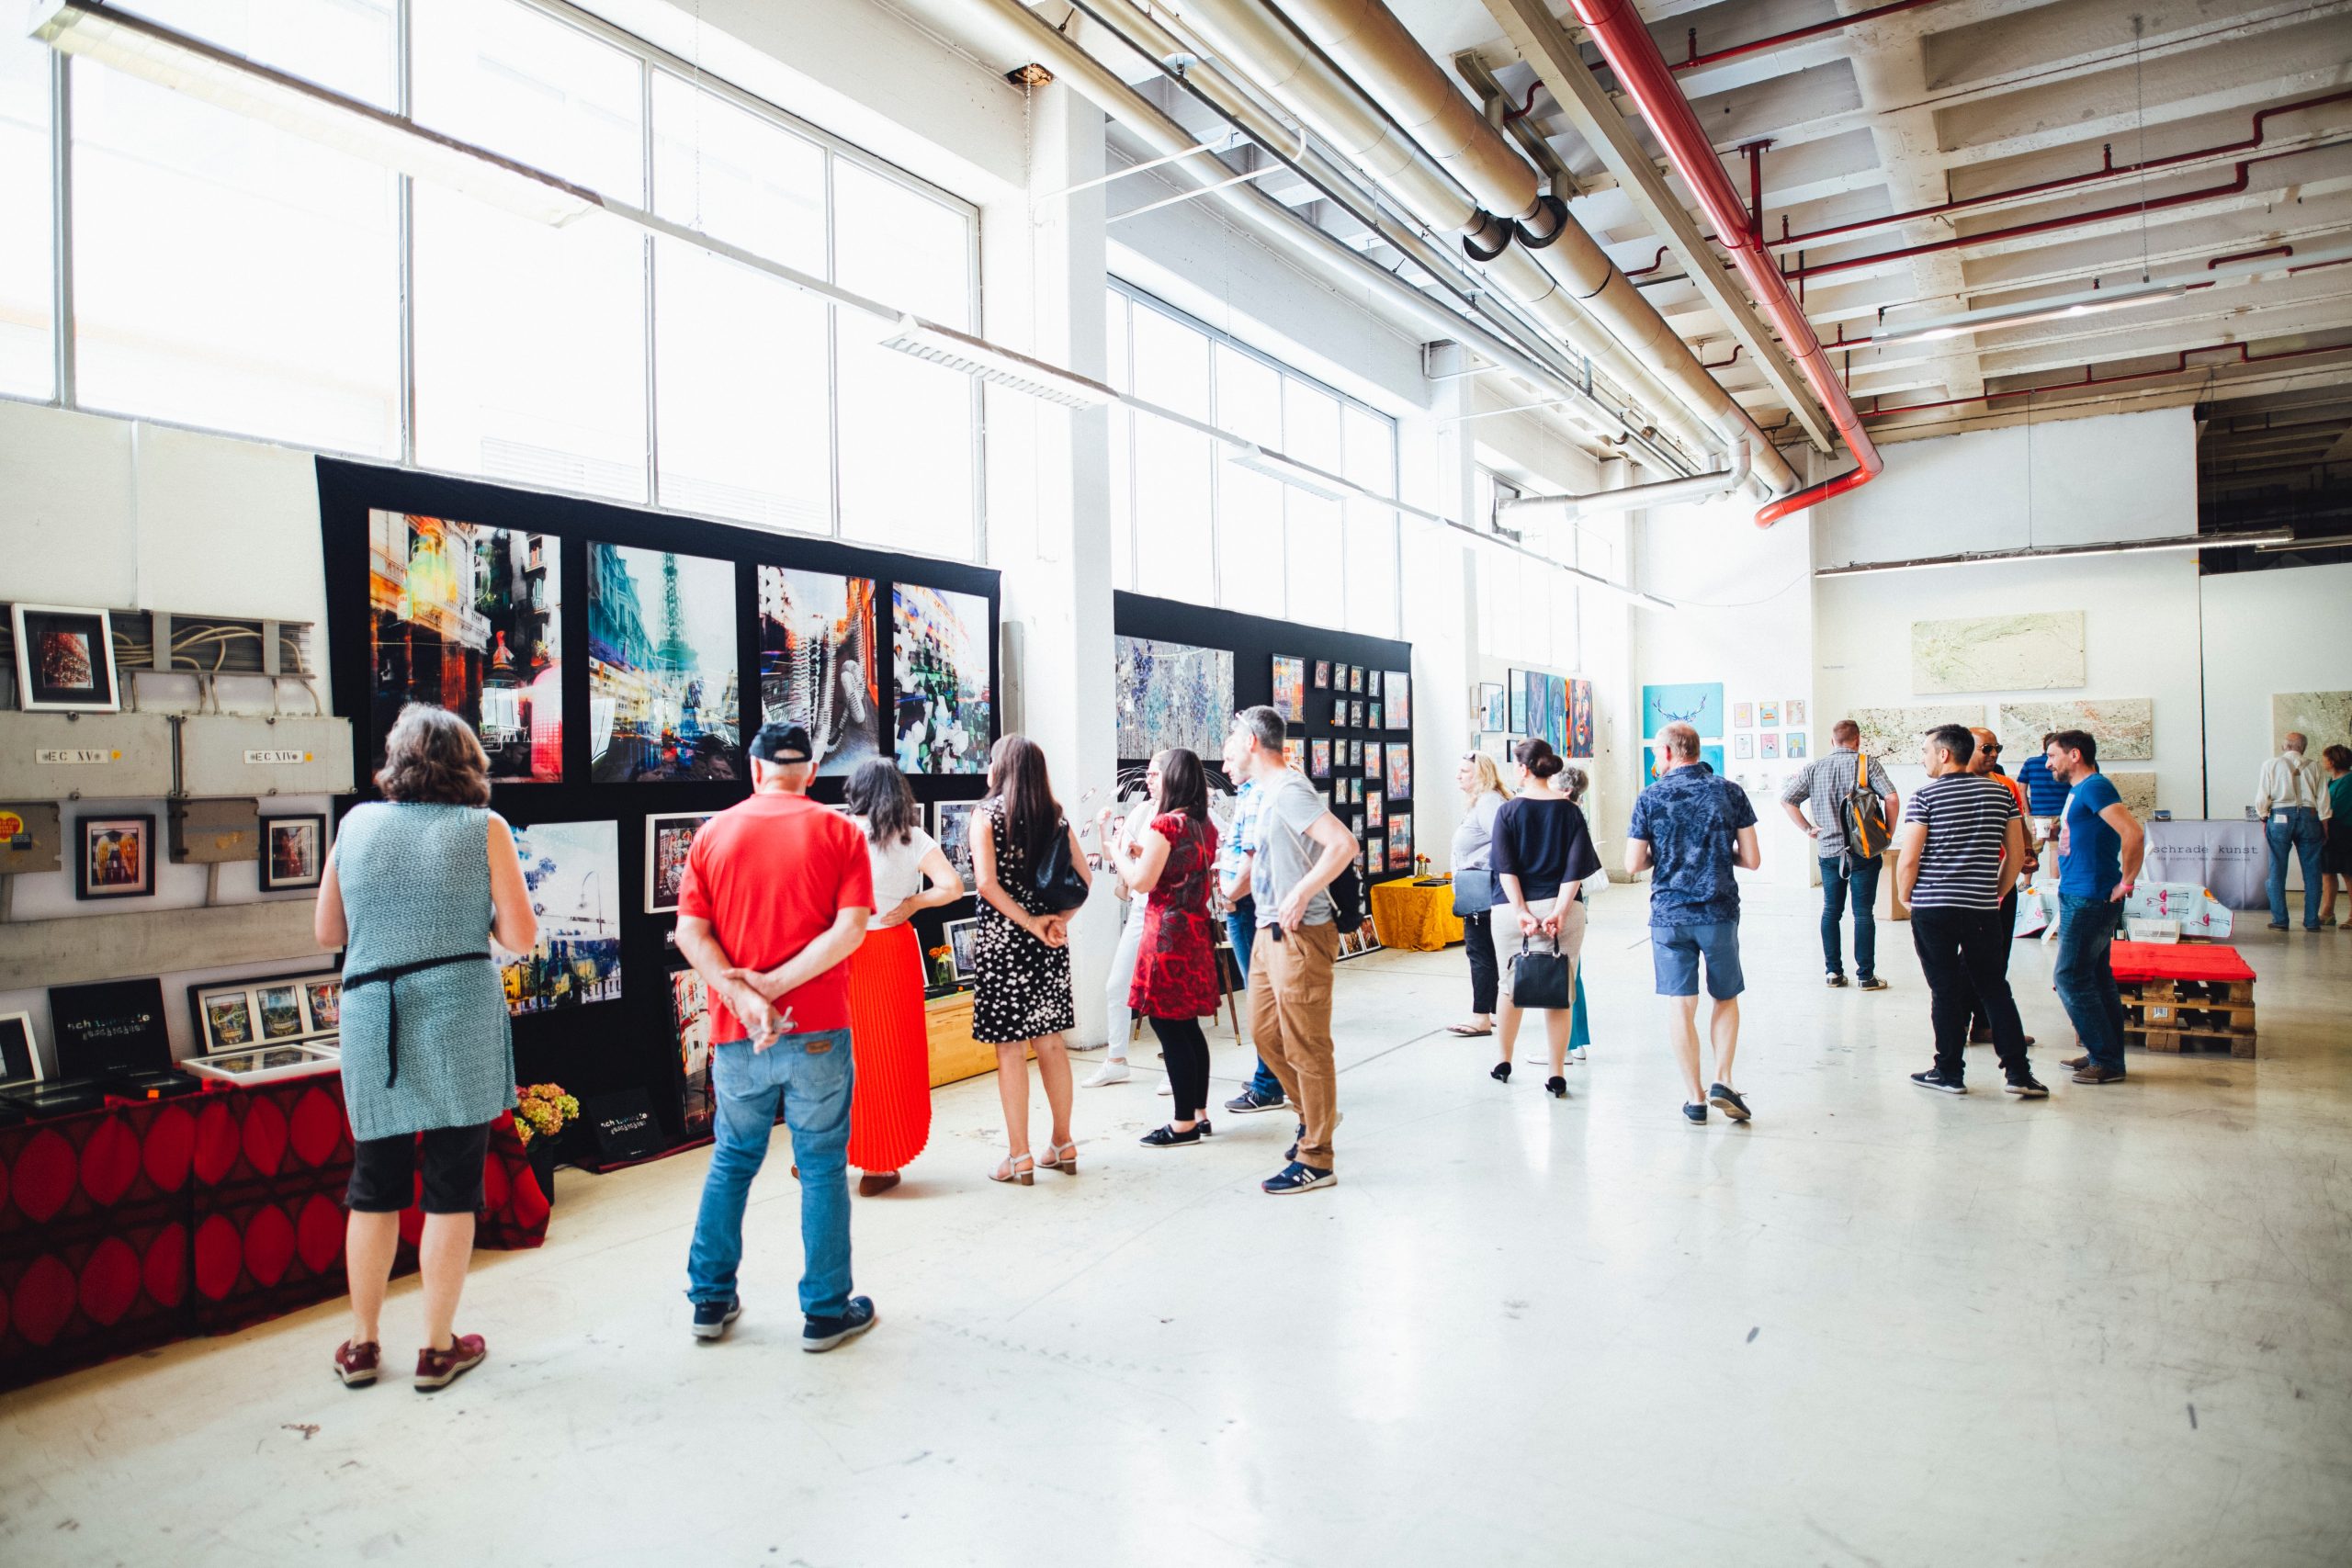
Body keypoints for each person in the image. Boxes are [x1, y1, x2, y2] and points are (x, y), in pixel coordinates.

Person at [316, 704, 538, 1392]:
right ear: (468, 763)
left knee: (373, 1183)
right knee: (451, 1185)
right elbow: (521, 937)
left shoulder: (355, 825)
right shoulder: (485, 828)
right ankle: (438, 1348)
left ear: (398, 761)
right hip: (456, 1016)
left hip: (372, 1013)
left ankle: (361, 1343)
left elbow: (329, 932)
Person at [675, 723, 876, 1350]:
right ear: (811, 772)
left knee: (733, 1158)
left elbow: (691, 934)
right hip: (818, 1027)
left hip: (739, 1033)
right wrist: (779, 988)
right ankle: (824, 1310)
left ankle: (709, 1299)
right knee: (821, 1166)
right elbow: (850, 931)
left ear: (755, 768)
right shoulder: (841, 831)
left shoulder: (711, 834)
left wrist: (745, 996)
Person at [1232, 705, 1357, 1194]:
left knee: (1307, 1044)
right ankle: (1315, 1114)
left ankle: (1317, 1157)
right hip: (1268, 931)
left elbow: (1343, 844)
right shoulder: (1264, 793)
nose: (1228, 748)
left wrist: (1303, 891)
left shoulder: (1289, 789)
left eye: (1232, 737)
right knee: (1267, 1036)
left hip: (1303, 934)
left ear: (1251, 743)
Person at [1894, 725, 2047, 1099]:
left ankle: (1948, 1072)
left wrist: (1904, 896)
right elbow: (2015, 854)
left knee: (1944, 990)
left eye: (1926, 751)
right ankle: (2018, 1073)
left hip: (1934, 907)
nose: (1923, 758)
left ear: (1945, 754)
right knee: (1995, 988)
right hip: (1981, 909)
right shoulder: (2002, 794)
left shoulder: (1924, 797)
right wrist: (1995, 892)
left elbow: (1910, 858)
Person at [841, 758, 965, 1196]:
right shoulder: (912, 837)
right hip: (892, 950)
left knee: (841, 1056)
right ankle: (880, 1163)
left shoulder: (837, 832)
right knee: (892, 1056)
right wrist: (913, 904)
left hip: (843, 952)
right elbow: (952, 887)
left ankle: (823, 1152)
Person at [969, 734, 1090, 1183]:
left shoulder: (985, 815)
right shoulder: (1055, 817)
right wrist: (1056, 921)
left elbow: (986, 883)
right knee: (1052, 1043)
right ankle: (1063, 1141)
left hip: (1004, 943)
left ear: (1000, 768)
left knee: (1010, 1051)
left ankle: (1018, 1155)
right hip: (1047, 945)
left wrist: (1028, 923)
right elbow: (1086, 878)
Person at [1628, 721, 1761, 1126]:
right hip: (1718, 912)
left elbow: (1633, 863)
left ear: (1668, 753)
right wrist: (1721, 856)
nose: (1656, 759)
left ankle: (1696, 1098)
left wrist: (1665, 858)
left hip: (1669, 915)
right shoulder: (1729, 791)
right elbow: (1752, 859)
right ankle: (1723, 1079)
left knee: (1681, 1005)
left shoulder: (1650, 797)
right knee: (1725, 997)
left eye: (1656, 753)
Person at [1109, 748, 1222, 1146]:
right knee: (1188, 1026)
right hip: (1194, 930)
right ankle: (1200, 1114)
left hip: (1166, 933)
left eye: (1157, 772)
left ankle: (1183, 1124)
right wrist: (1144, 856)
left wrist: (1117, 854)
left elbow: (1140, 882)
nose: (1150, 778)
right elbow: (1177, 866)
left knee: (1167, 1025)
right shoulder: (1202, 824)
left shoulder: (1164, 824)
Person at [1488, 739, 1602, 1098]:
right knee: (1560, 989)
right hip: (1563, 909)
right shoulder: (1570, 811)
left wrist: (1522, 910)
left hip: (1510, 911)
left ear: (1522, 769)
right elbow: (1575, 869)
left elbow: (1506, 869)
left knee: (1508, 985)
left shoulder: (1507, 812)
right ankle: (1556, 1073)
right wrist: (1559, 910)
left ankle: (1503, 1061)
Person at [2044, 729, 2143, 1086]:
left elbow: (2133, 833)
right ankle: (2104, 1052)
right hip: (2079, 892)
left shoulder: (2095, 786)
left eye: (2052, 755)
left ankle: (2107, 1059)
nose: (2047, 763)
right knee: (2097, 978)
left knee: (2069, 977)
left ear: (2074, 755)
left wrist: (2127, 882)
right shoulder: (2080, 790)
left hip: (2090, 896)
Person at [1780, 718, 1896, 991]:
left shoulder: (1814, 768)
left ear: (1832, 741)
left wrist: (1808, 829)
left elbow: (1788, 800)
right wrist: (1888, 833)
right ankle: (1866, 976)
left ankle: (1833, 972)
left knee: (1831, 911)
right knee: (1863, 913)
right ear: (1857, 741)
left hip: (1830, 851)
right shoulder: (1867, 764)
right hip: (1864, 851)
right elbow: (1891, 798)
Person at [1217, 729, 1293, 1116]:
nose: (1225, 767)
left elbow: (1252, 858)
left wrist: (1229, 895)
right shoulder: (1252, 794)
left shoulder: (1259, 795)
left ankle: (1268, 1084)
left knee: (1262, 1001)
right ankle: (1271, 1074)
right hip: (1245, 904)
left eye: (1230, 759)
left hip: (1247, 906)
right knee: (1262, 997)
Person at [1083, 759, 1164, 1088]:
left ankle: (1176, 1067)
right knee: (1117, 985)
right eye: (1148, 774)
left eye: (1156, 774)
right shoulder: (1142, 812)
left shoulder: (1184, 813)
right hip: (1140, 910)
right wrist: (1105, 831)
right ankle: (1116, 1059)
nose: (1149, 780)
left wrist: (1143, 854)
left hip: (1167, 913)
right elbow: (1114, 856)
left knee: (1163, 994)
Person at [1964, 728, 2035, 1048]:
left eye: (1997, 748)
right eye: (1986, 748)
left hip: (2002, 886)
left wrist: (2028, 855)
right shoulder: (1949, 788)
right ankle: (1957, 1026)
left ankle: (1985, 1024)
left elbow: (2018, 828)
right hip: (1966, 889)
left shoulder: (2005, 785)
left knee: (1998, 957)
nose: (1993, 754)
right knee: (1965, 961)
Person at [1446, 751, 1511, 1040]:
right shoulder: (1481, 802)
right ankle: (1492, 1012)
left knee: (1479, 951)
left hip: (1483, 887)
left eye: (1465, 771)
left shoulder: (1488, 803)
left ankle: (1480, 1016)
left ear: (1482, 774)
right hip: (1478, 886)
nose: (1458, 776)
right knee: (1486, 950)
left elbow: (1504, 844)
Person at [2256, 731, 2333, 931]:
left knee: (2277, 870)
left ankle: (2281, 920)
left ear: (2285, 746)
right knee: (2312, 871)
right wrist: (2324, 823)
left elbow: (2263, 795)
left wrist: (2263, 815)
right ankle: (2312, 921)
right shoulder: (2315, 766)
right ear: (2303, 748)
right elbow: (2323, 798)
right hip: (2310, 816)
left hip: (2280, 816)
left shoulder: (2271, 764)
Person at [1560, 767, 1598, 1064]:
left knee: (1564, 973)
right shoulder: (1577, 815)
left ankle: (1569, 1043)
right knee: (1574, 971)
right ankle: (1576, 1040)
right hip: (1577, 902)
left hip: (1565, 902)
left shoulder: (1564, 819)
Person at [2017, 731, 2070, 875]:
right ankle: (2054, 883)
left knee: (2032, 850)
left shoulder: (2031, 763)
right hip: (2061, 812)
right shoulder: (2065, 764)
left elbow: (2022, 790)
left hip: (2038, 813)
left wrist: (2028, 813)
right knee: (2056, 849)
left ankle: (2026, 884)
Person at [2321, 744, 2352, 930]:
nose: (2323, 762)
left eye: (2325, 759)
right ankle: (2327, 913)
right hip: (2331, 831)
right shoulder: (2332, 780)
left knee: (2349, 874)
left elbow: (2336, 807)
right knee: (2327, 871)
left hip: (2345, 832)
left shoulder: (2348, 781)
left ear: (2332, 761)